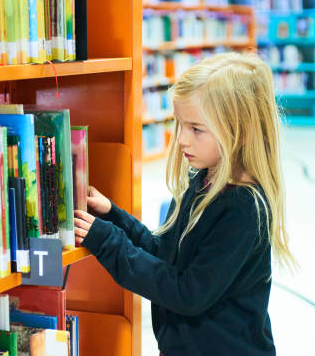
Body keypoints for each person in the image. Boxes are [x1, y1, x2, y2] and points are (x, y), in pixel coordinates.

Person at [74, 52, 296, 356]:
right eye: (179, 125)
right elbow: (165, 255)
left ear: (239, 131)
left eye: (196, 129)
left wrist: (108, 242)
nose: (181, 140)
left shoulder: (244, 208)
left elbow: (187, 293)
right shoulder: (204, 180)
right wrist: (113, 217)